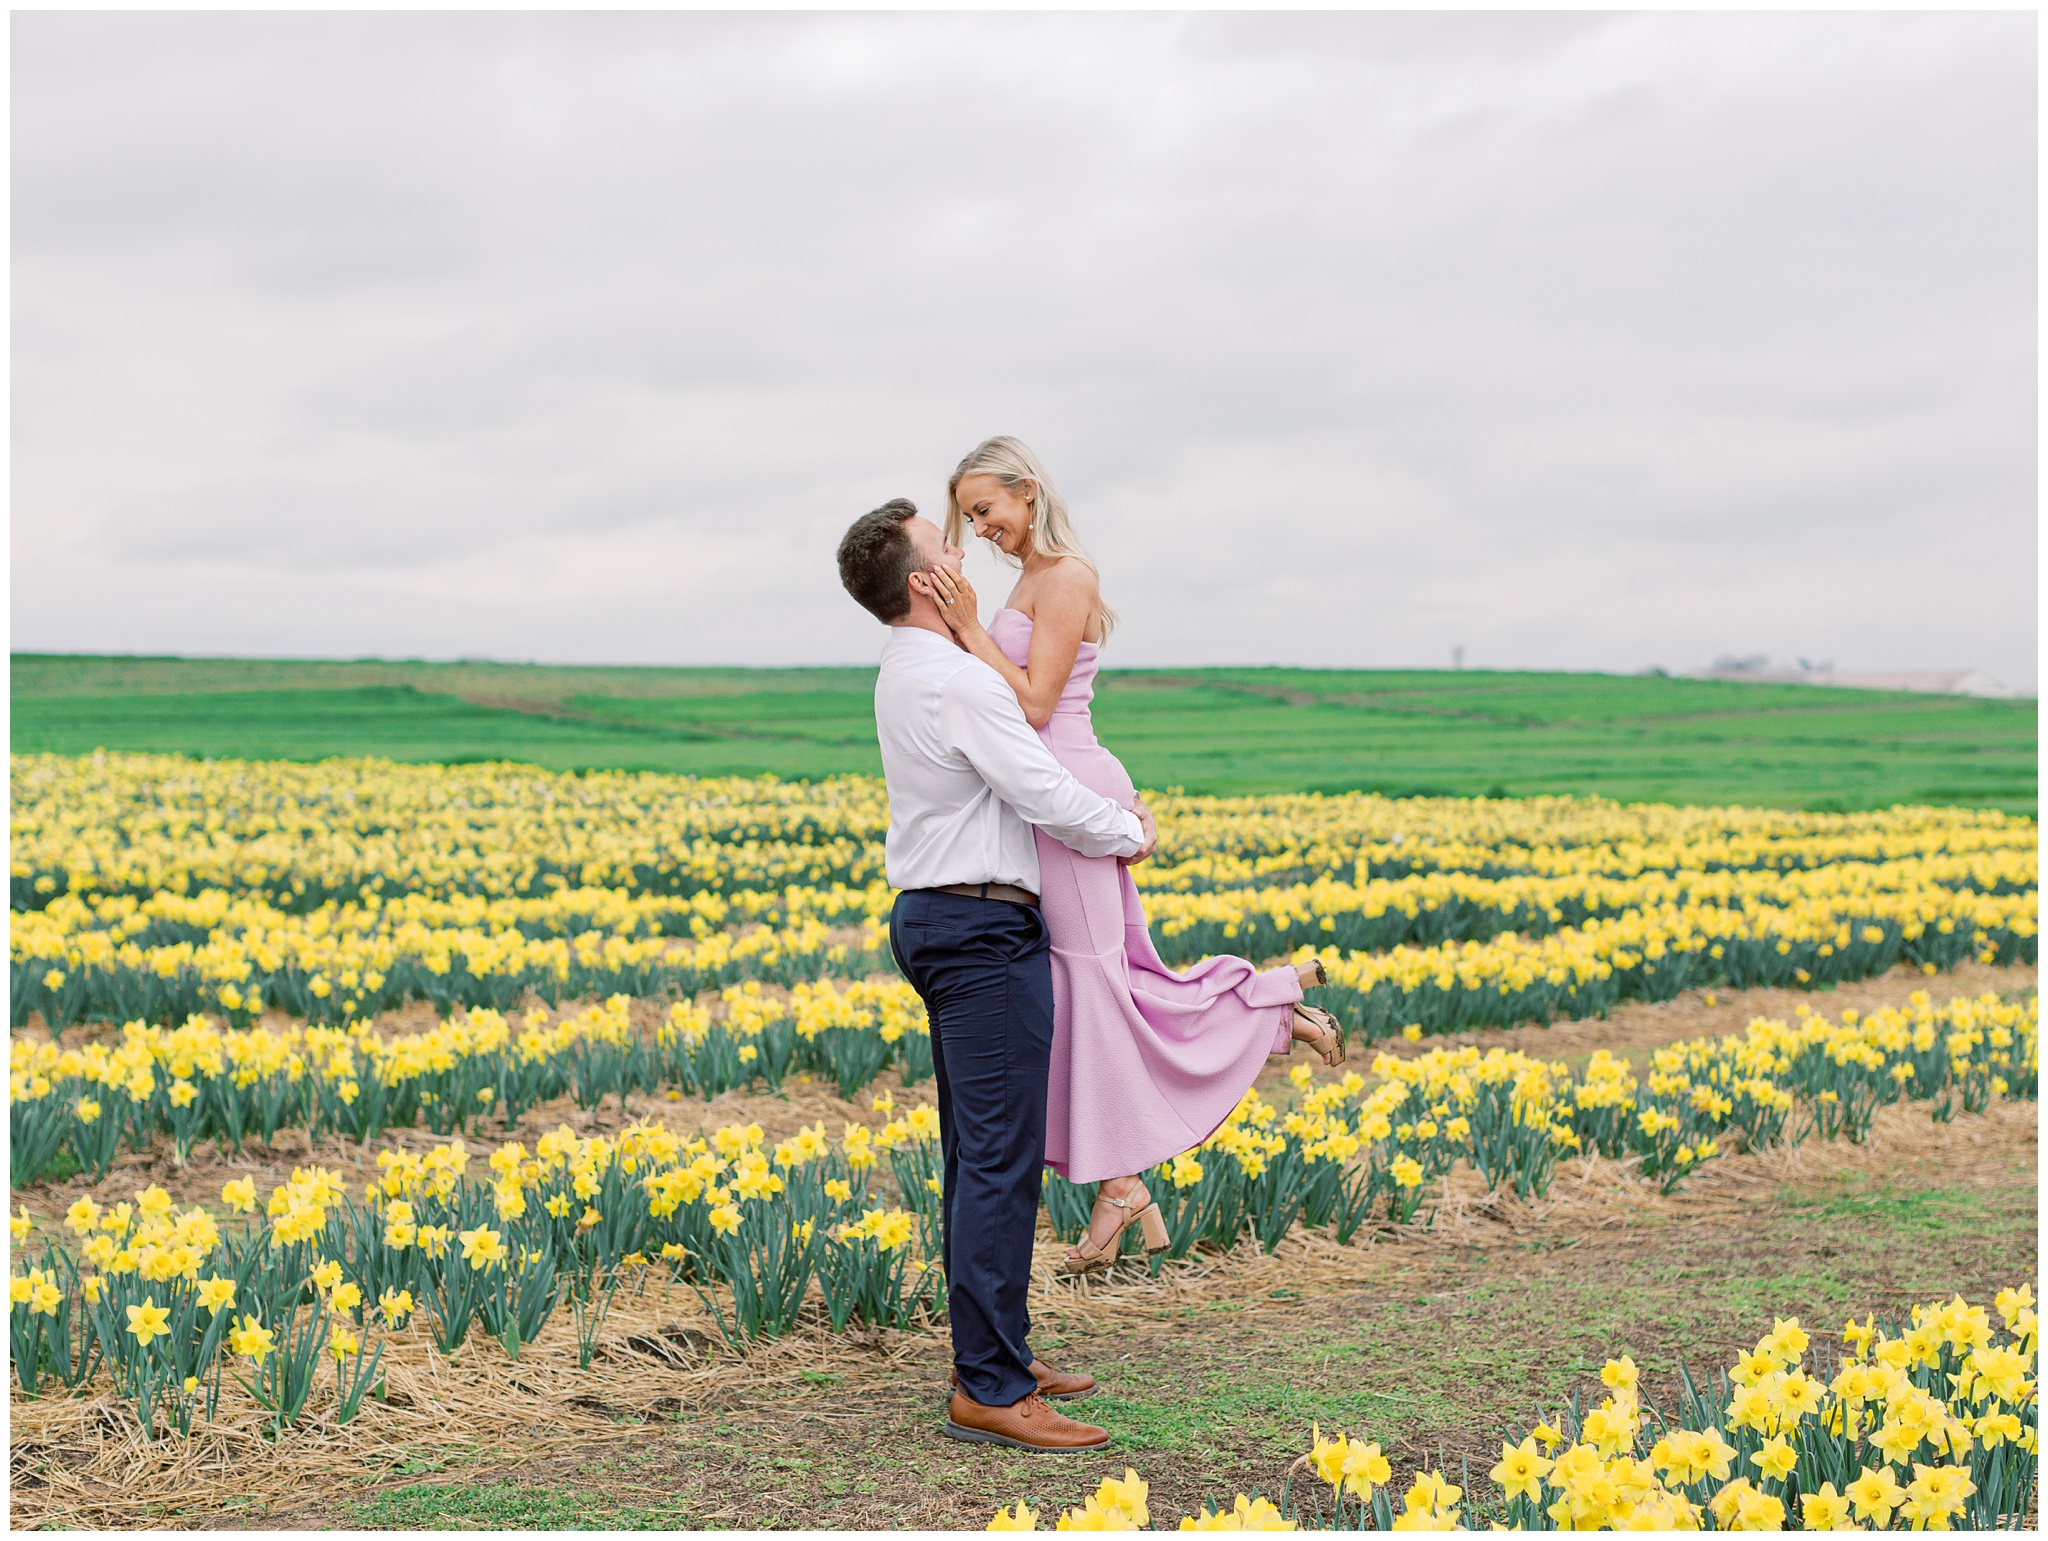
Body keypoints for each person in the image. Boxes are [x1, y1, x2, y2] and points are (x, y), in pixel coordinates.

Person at [925, 436, 1345, 1273]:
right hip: (1046, 796)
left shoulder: (1067, 576)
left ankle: (1267, 1012)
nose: (981, 527)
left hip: (1069, 784)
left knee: (1090, 980)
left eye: (988, 508)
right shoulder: (1025, 583)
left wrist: (969, 627)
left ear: (1028, 491)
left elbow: (1038, 704)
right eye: (968, 516)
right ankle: (1122, 1183)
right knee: (1086, 986)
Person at [835, 496, 1158, 1453]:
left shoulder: (910, 669)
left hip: (940, 920)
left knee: (980, 1158)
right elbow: (1044, 790)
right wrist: (1129, 828)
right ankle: (990, 1386)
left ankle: (998, 1350)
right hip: (981, 930)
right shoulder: (958, 683)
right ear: (928, 583)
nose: (965, 549)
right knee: (999, 1164)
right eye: (947, 548)